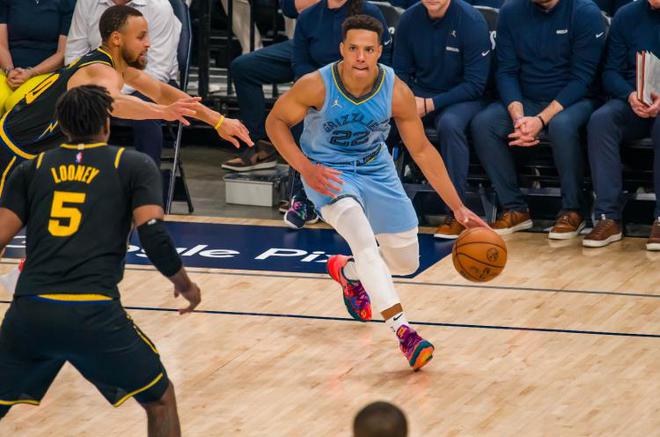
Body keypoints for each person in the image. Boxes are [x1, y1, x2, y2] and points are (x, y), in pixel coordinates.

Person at [266, 15, 487, 370]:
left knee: (406, 262)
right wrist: (305, 168)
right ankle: (405, 333)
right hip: (329, 173)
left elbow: (422, 151)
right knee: (364, 241)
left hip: (376, 168)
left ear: (379, 52)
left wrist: (458, 208)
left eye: (368, 50)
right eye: (353, 48)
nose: (360, 57)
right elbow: (275, 122)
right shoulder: (316, 85)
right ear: (342, 49)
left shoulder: (396, 90)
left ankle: (350, 273)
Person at [0, 5, 251, 286]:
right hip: (11, 151)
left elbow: (162, 91)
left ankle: (25, 274)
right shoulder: (99, 70)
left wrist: (217, 120)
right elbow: (113, 102)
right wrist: (162, 112)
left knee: (66, 222)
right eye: (141, 36)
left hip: (37, 154)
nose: (148, 43)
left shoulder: (118, 67)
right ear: (117, 39)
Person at [0, 85, 201, 436]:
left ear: (61, 125)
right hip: (93, 311)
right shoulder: (132, 164)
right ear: (107, 123)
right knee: (160, 399)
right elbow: (153, 233)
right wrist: (185, 285)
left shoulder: (33, 168)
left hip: (31, 309)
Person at [470, 0, 606, 239]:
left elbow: (581, 79)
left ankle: (573, 209)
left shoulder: (584, 12)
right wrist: (519, 117)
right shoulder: (511, 11)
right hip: (527, 98)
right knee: (484, 124)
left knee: (561, 126)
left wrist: (540, 120)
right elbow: (506, 70)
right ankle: (515, 208)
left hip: (574, 99)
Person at [282, 0, 393, 230]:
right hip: (323, 89)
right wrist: (318, 89)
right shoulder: (308, 16)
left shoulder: (369, 12)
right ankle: (304, 196)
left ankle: (362, 195)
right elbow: (299, 62)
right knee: (299, 115)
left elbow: (385, 58)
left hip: (364, 88)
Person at [393, 0, 491, 239]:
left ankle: (456, 213)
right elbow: (400, 74)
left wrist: (430, 104)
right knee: (382, 121)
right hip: (420, 94)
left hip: (464, 97)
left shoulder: (471, 21)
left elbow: (475, 85)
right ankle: (379, 206)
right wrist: (408, 101)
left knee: (450, 125)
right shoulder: (408, 19)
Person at [65, 0, 181, 166]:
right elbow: (74, 54)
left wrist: (112, 91)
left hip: (145, 77)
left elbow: (158, 70)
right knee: (75, 104)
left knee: (146, 113)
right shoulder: (86, 2)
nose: (146, 42)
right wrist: (95, 90)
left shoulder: (160, 7)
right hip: (97, 79)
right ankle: (76, 171)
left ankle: (148, 175)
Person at [583, 0, 660, 250]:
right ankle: (608, 216)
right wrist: (630, 95)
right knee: (601, 121)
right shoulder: (627, 15)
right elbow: (610, 72)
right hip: (634, 100)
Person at [0, 0, 75, 114]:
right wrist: (9, 70)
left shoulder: (68, 3)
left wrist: (31, 72)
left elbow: (62, 53)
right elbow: (1, 44)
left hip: (45, 73)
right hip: (8, 70)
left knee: (17, 104)